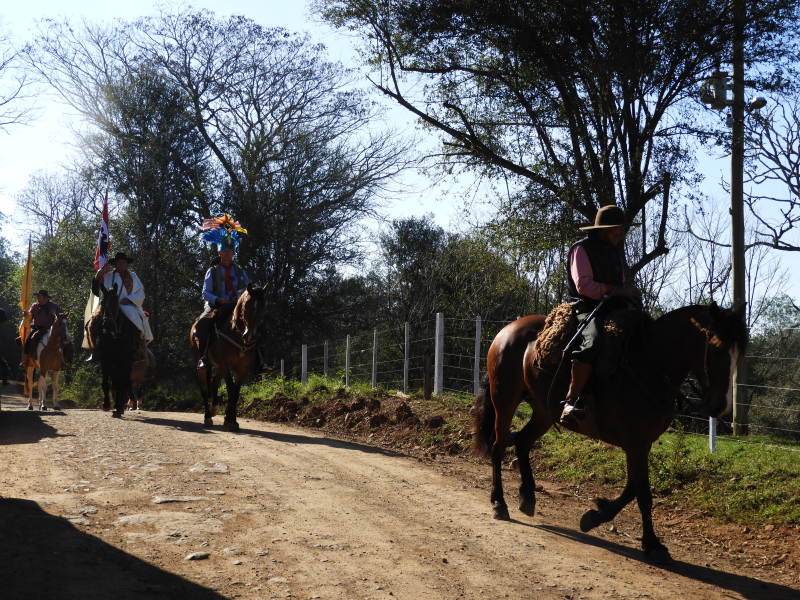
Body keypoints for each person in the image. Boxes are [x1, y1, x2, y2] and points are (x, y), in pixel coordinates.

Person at [560, 205, 642, 425]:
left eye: (624, 228)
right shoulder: (581, 249)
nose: (623, 232)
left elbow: (620, 284)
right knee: (593, 342)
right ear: (606, 229)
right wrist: (617, 291)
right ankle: (572, 401)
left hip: (614, 308)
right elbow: (584, 286)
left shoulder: (614, 251)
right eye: (620, 228)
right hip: (588, 308)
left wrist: (628, 295)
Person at [195, 226, 249, 370]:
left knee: (257, 324)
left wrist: (241, 294)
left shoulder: (240, 271)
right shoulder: (211, 271)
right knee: (202, 323)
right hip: (216, 305)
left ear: (233, 253)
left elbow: (247, 289)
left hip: (236, 304)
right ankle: (203, 357)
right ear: (219, 253)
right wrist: (218, 299)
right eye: (224, 251)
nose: (227, 254)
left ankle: (259, 362)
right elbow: (205, 293)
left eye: (230, 251)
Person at [86, 252, 153, 362]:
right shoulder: (107, 276)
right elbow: (95, 291)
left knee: (138, 320)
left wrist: (130, 299)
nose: (121, 264)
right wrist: (97, 277)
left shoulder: (133, 277)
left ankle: (139, 348)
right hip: (107, 307)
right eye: (118, 262)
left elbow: (140, 293)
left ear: (126, 263)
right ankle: (95, 351)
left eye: (123, 262)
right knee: (91, 323)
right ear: (115, 264)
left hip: (127, 306)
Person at [20, 290, 64, 371]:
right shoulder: (35, 306)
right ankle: (25, 360)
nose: (38, 299)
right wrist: (26, 315)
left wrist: (56, 313)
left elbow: (62, 316)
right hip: (37, 327)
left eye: (40, 297)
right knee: (28, 338)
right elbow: (30, 316)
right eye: (38, 297)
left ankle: (64, 361)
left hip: (50, 328)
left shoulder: (54, 305)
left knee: (64, 339)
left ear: (46, 298)